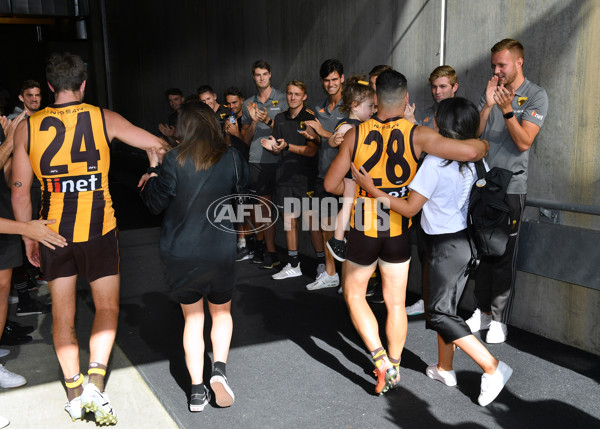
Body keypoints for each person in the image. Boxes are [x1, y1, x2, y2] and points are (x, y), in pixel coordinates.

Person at [11, 52, 166, 424]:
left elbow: (19, 190)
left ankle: (74, 390)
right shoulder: (103, 117)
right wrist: (155, 167)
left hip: (51, 232)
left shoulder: (27, 127)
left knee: (63, 313)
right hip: (99, 229)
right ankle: (96, 381)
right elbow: (159, 144)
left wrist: (29, 237)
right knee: (107, 308)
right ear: (83, 85)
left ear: (49, 87)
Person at [324, 69, 488, 396]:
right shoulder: (420, 134)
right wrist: (483, 141)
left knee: (354, 294)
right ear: (406, 98)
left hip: (366, 226)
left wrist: (359, 188)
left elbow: (330, 184)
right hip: (399, 227)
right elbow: (470, 151)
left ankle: (380, 360)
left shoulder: (355, 136)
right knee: (395, 302)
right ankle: (396, 363)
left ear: (375, 100)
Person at [352, 97, 513, 406]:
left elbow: (410, 208)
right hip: (467, 242)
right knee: (448, 310)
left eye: (435, 120)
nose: (431, 124)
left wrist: (373, 190)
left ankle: (492, 367)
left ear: (444, 125)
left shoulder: (435, 163)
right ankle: (444, 368)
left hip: (445, 246)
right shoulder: (476, 159)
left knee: (438, 314)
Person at [141, 101, 245, 412]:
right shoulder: (233, 157)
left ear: (182, 127)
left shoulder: (172, 159)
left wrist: (153, 170)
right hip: (219, 248)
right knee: (222, 313)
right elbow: (241, 200)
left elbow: (154, 204)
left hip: (181, 251)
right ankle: (220, 372)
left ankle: (197, 390)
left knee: (193, 319)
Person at [466, 39, 548, 344]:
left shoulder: (536, 95)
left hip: (511, 187)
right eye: (494, 66)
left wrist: (508, 110)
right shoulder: (491, 94)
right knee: (482, 251)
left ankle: (499, 320)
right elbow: (473, 136)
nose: (497, 71)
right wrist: (488, 105)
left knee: (502, 254)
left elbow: (525, 141)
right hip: (483, 184)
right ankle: (481, 310)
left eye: (502, 65)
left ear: (518, 62)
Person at [406, 65, 460, 317]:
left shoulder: (461, 113)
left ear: (454, 87)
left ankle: (446, 308)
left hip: (451, 195)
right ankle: (427, 299)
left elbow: (456, 149)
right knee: (425, 251)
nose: (437, 91)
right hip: (425, 190)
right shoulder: (426, 114)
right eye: (434, 87)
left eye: (443, 87)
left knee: (448, 255)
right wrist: (412, 126)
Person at [259, 80, 322, 280]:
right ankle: (294, 264)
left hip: (305, 179)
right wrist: (272, 146)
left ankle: (321, 265)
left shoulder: (311, 119)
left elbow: (311, 151)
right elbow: (277, 144)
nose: (292, 97)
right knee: (289, 221)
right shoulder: (279, 118)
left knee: (312, 222)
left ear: (304, 96)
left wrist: (286, 147)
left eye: (296, 94)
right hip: (284, 177)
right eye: (289, 93)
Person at [240, 60, 288, 269]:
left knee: (288, 210)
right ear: (253, 76)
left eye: (265, 74)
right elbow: (245, 138)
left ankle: (294, 256)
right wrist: (252, 121)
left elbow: (288, 131)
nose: (261, 78)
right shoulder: (248, 103)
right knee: (264, 210)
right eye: (257, 74)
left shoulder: (283, 99)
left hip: (282, 161)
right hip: (258, 161)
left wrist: (269, 120)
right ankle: (271, 253)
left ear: (270, 75)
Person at [304, 58, 347, 290]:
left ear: (342, 78)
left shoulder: (351, 106)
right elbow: (321, 139)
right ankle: (331, 273)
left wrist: (322, 131)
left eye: (334, 79)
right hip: (324, 174)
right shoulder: (319, 107)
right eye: (326, 80)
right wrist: (314, 136)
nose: (330, 84)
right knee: (326, 225)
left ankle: (349, 277)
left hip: (347, 178)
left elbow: (351, 140)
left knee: (350, 227)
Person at [325, 76, 375, 265]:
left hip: (356, 174)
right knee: (347, 205)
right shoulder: (347, 125)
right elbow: (333, 138)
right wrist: (334, 140)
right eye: (369, 106)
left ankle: (342, 238)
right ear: (354, 105)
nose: (372, 111)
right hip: (350, 174)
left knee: (351, 206)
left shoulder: (362, 125)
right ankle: (337, 239)